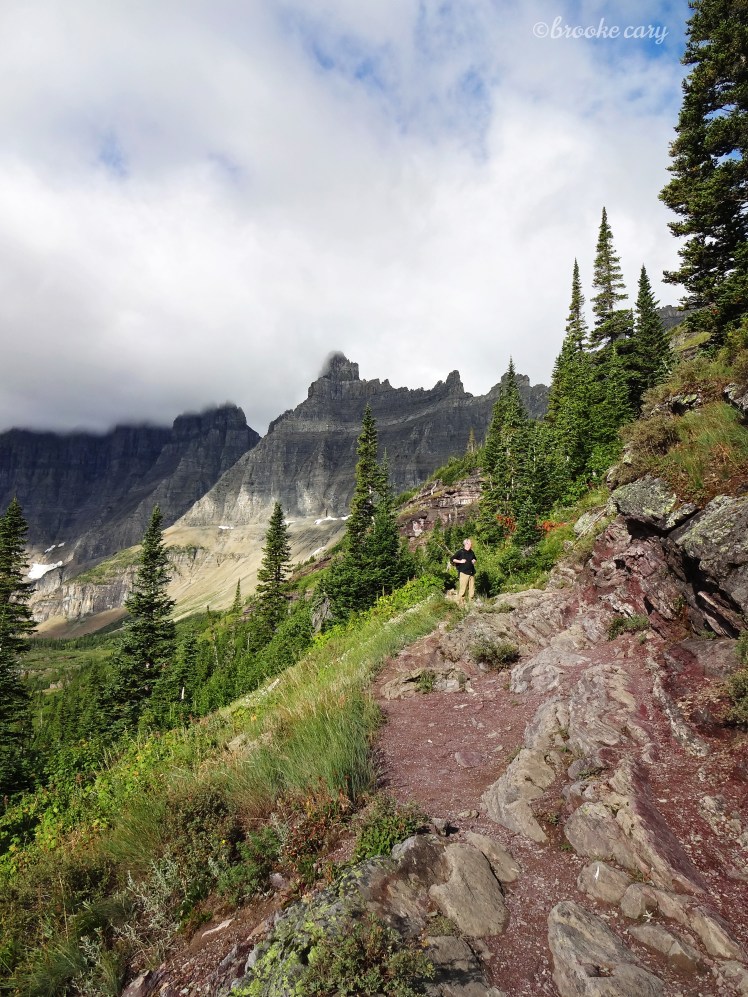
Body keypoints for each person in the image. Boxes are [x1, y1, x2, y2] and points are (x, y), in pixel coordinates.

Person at [451, 538, 477, 603]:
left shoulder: (471, 552)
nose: (471, 544)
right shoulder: (460, 552)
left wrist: (474, 560)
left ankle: (471, 602)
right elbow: (452, 559)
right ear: (466, 544)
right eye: (470, 543)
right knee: (463, 589)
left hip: (471, 573)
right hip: (464, 573)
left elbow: (474, 558)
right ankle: (461, 604)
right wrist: (460, 561)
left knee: (472, 589)